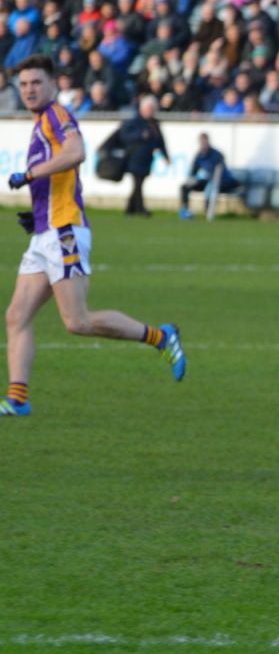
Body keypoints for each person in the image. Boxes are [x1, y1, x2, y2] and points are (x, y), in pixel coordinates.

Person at [2, 56, 185, 419]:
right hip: (46, 232)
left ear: (53, 84)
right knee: (16, 316)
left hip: (65, 230)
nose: (29, 90)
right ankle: (18, 399)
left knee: (77, 321)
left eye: (36, 82)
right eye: (23, 85)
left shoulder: (56, 115)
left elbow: (76, 153)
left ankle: (161, 337)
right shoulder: (41, 122)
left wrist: (30, 174)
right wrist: (38, 212)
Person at [118, 95, 169, 217]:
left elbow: (160, 142)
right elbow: (124, 136)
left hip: (147, 159)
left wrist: (165, 156)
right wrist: (140, 135)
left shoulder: (154, 124)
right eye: (148, 109)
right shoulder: (134, 122)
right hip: (135, 158)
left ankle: (130, 209)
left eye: (152, 109)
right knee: (138, 184)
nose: (150, 111)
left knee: (138, 184)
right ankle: (140, 209)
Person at [179, 132, 240, 220]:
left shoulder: (216, 155)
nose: (203, 144)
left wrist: (211, 183)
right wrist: (191, 181)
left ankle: (209, 213)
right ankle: (185, 212)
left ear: (208, 142)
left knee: (210, 188)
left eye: (204, 142)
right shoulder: (199, 155)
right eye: (201, 142)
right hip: (208, 180)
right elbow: (193, 173)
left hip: (223, 181)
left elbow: (219, 173)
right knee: (184, 187)